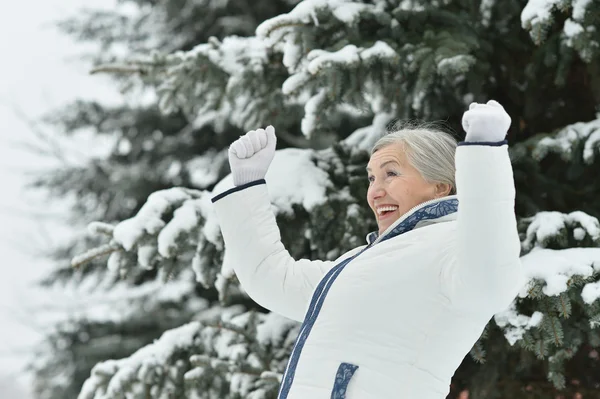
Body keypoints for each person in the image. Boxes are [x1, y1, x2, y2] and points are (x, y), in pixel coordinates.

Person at [211, 100, 526, 398]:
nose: (375, 192)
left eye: (391, 173)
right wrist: (247, 185)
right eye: (372, 178)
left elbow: (491, 281)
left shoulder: (452, 248)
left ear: (440, 186)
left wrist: (485, 154)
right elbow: (274, 281)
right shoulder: (359, 263)